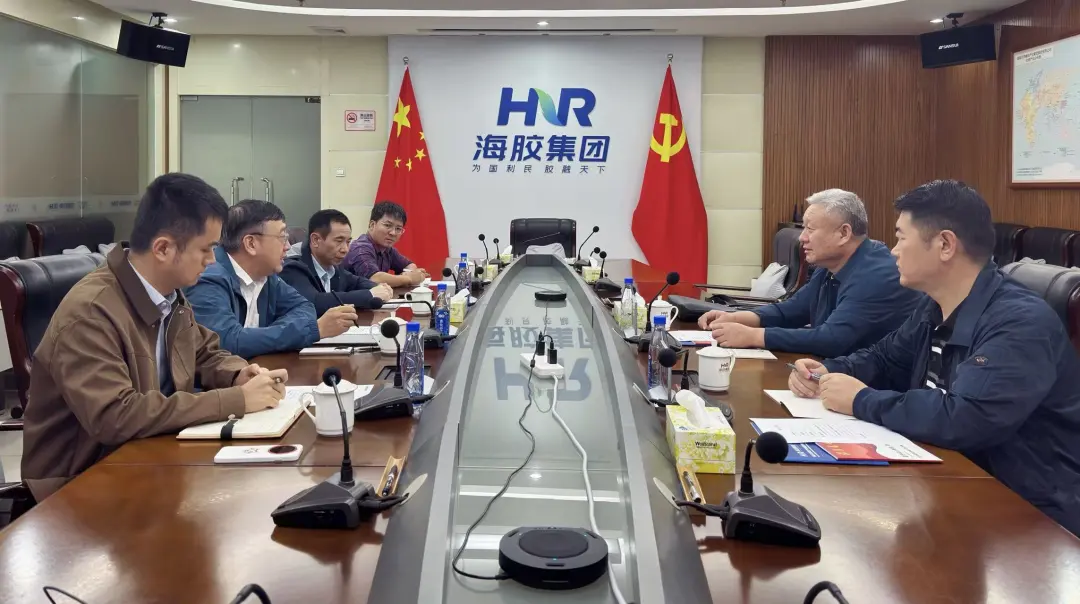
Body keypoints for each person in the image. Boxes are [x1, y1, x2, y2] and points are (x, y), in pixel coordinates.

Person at [789, 180, 1080, 537]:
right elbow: (886, 358)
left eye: (901, 238)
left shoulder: (1019, 322)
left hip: (1030, 517)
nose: (893, 250)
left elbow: (966, 418)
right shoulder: (935, 305)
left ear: (944, 245)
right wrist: (829, 370)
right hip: (949, 483)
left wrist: (861, 399)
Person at [21, 173, 288, 501]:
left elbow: (203, 352)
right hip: (80, 486)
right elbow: (115, 416)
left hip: (149, 457)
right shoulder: (90, 312)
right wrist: (237, 400)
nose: (212, 261)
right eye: (206, 249)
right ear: (163, 248)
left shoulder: (169, 294)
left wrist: (238, 374)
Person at [697, 189, 919, 358]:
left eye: (810, 229)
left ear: (844, 233)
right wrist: (736, 318)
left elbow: (832, 339)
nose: (802, 237)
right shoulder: (829, 266)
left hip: (879, 390)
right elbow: (792, 310)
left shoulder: (877, 274)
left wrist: (753, 336)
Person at [186, 199, 357, 358]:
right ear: (251, 244)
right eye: (282, 237)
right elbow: (225, 342)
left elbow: (304, 307)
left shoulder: (266, 275)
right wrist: (312, 330)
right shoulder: (208, 279)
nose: (288, 246)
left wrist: (266, 336)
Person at [280, 209, 394, 315]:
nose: (345, 249)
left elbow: (356, 282)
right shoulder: (292, 266)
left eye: (348, 242)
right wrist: (370, 294)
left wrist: (380, 288)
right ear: (316, 240)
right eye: (339, 241)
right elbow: (314, 302)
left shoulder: (332, 264)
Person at [343, 201, 429, 287]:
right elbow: (374, 279)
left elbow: (409, 265)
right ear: (372, 225)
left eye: (398, 229)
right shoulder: (360, 248)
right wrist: (408, 278)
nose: (393, 233)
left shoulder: (388, 250)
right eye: (387, 225)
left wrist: (410, 274)